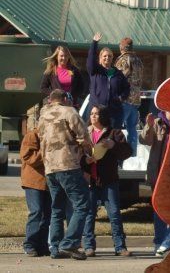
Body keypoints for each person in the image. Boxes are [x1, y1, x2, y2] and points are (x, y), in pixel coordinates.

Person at [38, 89, 92, 260]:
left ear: (51, 100)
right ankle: (69, 244)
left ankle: (55, 247)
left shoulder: (43, 116)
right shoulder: (70, 112)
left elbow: (40, 137)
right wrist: (89, 153)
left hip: (50, 168)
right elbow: (84, 136)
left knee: (57, 208)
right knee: (82, 204)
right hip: (67, 164)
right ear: (64, 99)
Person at [82, 105, 133, 257]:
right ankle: (89, 246)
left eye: (97, 113)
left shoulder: (114, 133)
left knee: (114, 214)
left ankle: (120, 246)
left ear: (103, 115)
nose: (93, 116)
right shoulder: (85, 133)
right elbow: (77, 154)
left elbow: (127, 152)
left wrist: (114, 145)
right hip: (90, 180)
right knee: (89, 215)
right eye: (91, 113)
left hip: (109, 180)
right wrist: (85, 160)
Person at [140, 111, 170, 257]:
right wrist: (148, 125)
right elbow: (144, 140)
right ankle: (159, 242)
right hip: (158, 173)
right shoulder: (158, 123)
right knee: (159, 210)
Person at [87, 32, 130, 129]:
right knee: (97, 139)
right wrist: (94, 43)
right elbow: (90, 59)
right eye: (105, 56)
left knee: (113, 140)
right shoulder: (95, 71)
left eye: (110, 56)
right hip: (97, 112)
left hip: (114, 112)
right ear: (100, 58)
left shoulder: (118, 73)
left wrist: (121, 97)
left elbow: (127, 88)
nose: (107, 58)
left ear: (112, 58)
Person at [20, 129, 51, 257]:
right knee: (36, 212)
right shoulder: (32, 135)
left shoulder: (55, 134)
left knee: (47, 215)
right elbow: (29, 158)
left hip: (49, 182)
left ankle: (42, 245)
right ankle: (30, 244)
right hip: (33, 181)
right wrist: (47, 150)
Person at [115, 37, 144, 156]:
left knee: (116, 127)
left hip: (125, 98)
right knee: (132, 128)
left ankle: (118, 154)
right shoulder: (138, 60)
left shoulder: (124, 60)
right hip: (136, 99)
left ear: (121, 47)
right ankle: (132, 154)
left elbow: (120, 78)